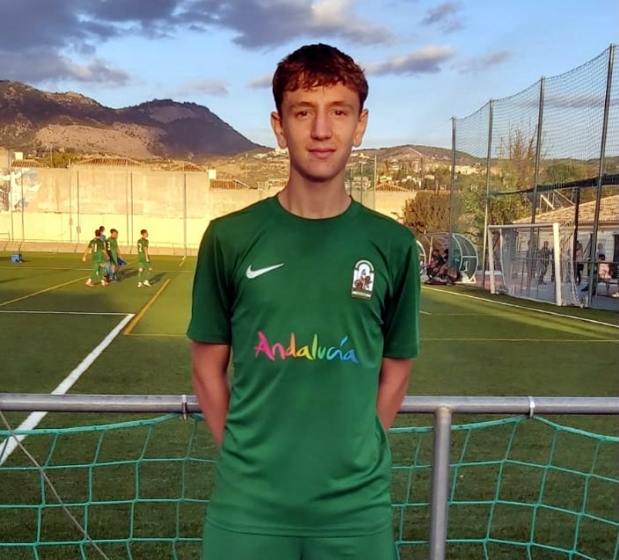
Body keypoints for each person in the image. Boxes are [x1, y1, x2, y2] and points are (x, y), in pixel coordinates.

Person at [187, 43, 420, 560]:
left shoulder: (394, 245)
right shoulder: (228, 237)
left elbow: (397, 369)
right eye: (303, 112)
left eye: (339, 112)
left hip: (355, 516)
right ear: (278, 126)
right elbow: (206, 369)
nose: (321, 130)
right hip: (246, 514)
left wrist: (358, 453)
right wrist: (248, 464)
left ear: (360, 126)